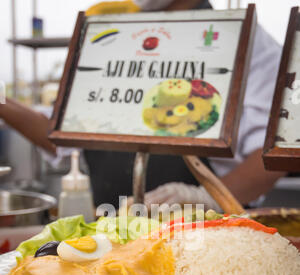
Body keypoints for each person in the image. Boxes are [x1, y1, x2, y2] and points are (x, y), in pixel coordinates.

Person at [0, 0, 286, 211]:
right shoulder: (110, 40)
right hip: (111, 231)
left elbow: (272, 156)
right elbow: (61, 134)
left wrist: (206, 197)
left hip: (207, 238)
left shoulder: (244, 40)